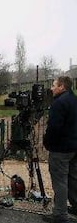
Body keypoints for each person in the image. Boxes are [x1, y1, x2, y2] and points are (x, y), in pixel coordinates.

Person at [43, 76, 77, 223]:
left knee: (60, 181)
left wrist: (47, 143)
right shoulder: (74, 100)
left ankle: (60, 214)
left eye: (54, 85)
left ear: (62, 86)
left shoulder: (59, 103)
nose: (51, 88)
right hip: (73, 147)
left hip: (61, 149)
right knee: (73, 178)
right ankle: (75, 206)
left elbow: (54, 128)